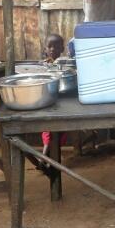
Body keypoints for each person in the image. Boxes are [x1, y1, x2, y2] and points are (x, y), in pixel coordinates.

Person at [39, 34, 67, 169]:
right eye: (49, 46)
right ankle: (44, 156)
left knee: (60, 130)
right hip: (48, 101)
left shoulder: (65, 63)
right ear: (45, 48)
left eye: (56, 46)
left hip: (63, 100)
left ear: (62, 48)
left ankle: (46, 158)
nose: (52, 49)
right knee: (48, 129)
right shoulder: (43, 64)